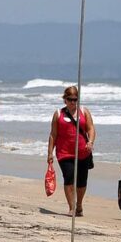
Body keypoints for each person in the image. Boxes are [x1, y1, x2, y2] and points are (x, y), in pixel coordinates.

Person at [47, 86, 96, 216]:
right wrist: (50, 153)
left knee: (81, 181)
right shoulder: (58, 114)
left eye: (75, 99)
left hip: (83, 152)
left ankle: (79, 204)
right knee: (69, 177)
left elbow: (91, 129)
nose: (73, 102)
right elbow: (53, 134)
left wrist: (90, 142)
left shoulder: (84, 112)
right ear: (65, 100)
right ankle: (71, 207)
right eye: (70, 99)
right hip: (64, 152)